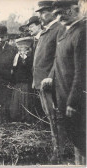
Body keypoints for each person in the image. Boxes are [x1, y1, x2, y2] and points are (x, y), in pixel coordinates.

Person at [42, 0, 86, 164]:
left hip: (75, 101)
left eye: (64, 12)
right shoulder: (66, 32)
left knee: (82, 142)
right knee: (78, 142)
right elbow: (59, 61)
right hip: (63, 97)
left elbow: (82, 72)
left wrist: (73, 101)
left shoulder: (82, 32)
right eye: (57, 14)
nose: (60, 17)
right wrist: (51, 78)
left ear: (75, 10)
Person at [33, 0, 66, 163]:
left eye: (43, 11)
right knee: (50, 118)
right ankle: (57, 151)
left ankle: (59, 154)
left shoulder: (58, 29)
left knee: (56, 118)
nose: (40, 15)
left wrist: (50, 77)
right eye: (39, 12)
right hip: (41, 82)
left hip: (50, 83)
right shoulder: (47, 31)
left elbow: (58, 58)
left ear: (53, 11)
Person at [10, 37, 34, 122]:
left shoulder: (30, 56)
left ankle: (26, 118)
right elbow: (14, 67)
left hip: (26, 82)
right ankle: (17, 118)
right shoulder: (16, 56)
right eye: (19, 47)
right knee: (17, 100)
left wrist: (24, 59)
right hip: (18, 81)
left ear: (26, 47)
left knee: (25, 100)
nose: (20, 49)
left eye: (21, 47)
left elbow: (29, 67)